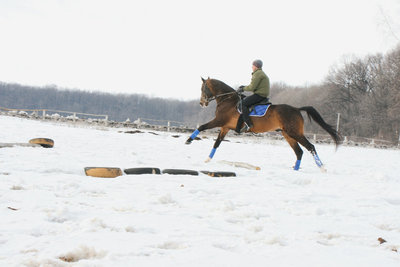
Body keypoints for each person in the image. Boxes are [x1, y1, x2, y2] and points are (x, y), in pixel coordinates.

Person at [236, 59, 270, 133]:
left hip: (259, 95)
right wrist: (244, 87)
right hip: (262, 94)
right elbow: (253, 86)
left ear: (256, 66)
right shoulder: (260, 73)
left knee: (243, 103)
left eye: (252, 65)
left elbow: (252, 87)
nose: (252, 67)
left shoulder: (257, 74)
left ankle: (248, 123)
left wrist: (243, 88)